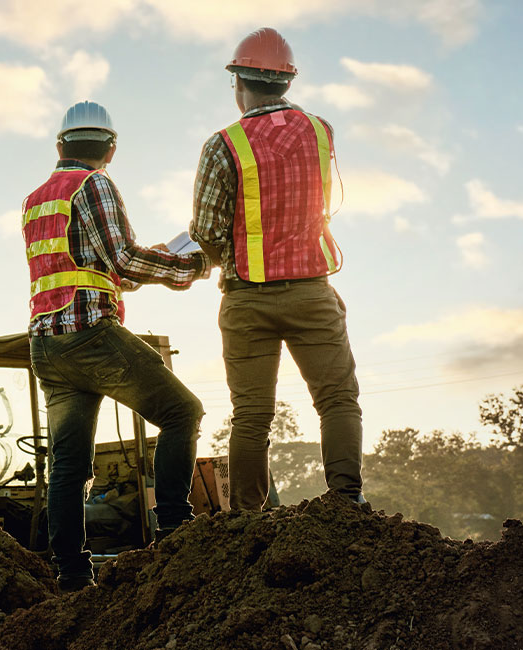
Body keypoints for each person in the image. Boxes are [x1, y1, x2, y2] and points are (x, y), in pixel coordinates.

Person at [24, 100, 210, 592]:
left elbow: (92, 269)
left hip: (47, 345)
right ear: (111, 149)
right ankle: (174, 532)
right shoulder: (95, 184)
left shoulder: (36, 199)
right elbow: (123, 260)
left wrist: (152, 262)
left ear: (60, 145)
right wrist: (188, 267)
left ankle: (71, 574)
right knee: (182, 413)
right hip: (90, 336)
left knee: (69, 465)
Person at [188, 27, 365, 511]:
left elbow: (207, 231)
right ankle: (347, 504)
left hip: (247, 298)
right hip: (312, 293)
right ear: (287, 82)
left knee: (251, 415)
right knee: (337, 400)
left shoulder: (223, 145)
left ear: (238, 83)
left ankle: (248, 520)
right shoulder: (321, 131)